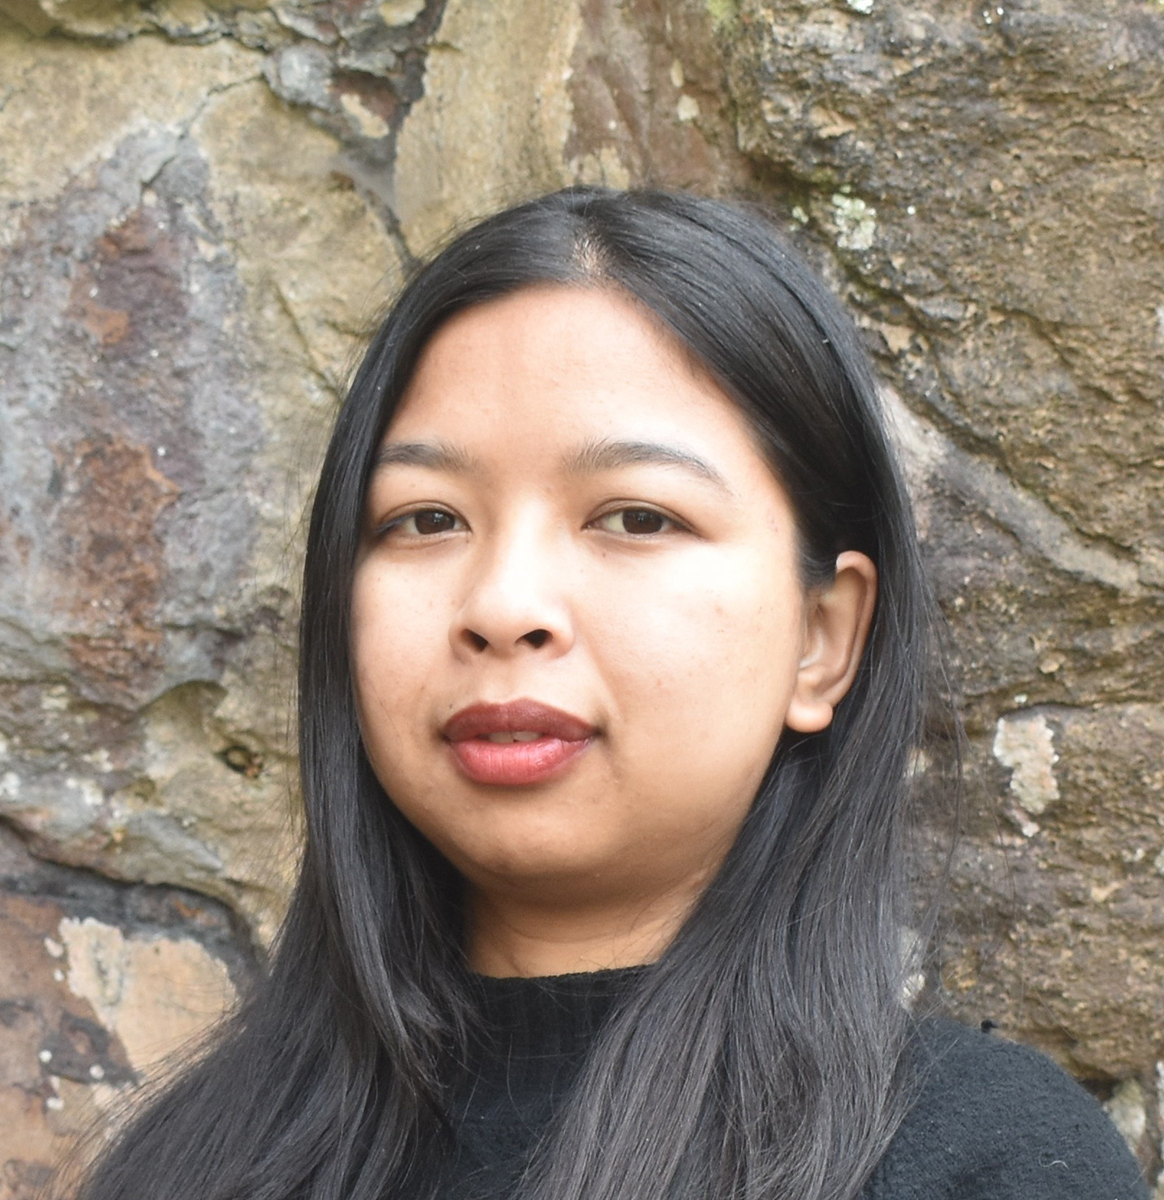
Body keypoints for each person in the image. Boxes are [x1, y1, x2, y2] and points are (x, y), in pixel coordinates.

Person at [73, 188, 1148, 1200]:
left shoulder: (980, 1164)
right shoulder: (190, 1169)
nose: (503, 605)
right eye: (427, 519)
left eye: (636, 518)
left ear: (823, 638)